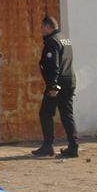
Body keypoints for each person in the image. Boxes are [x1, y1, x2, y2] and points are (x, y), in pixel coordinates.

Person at [32, 16, 79, 158]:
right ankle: (73, 146)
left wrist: (53, 86)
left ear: (48, 27)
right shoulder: (65, 39)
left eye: (42, 27)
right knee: (67, 115)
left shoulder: (52, 41)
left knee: (45, 113)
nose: (41, 30)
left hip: (58, 85)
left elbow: (54, 65)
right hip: (68, 81)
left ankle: (48, 146)